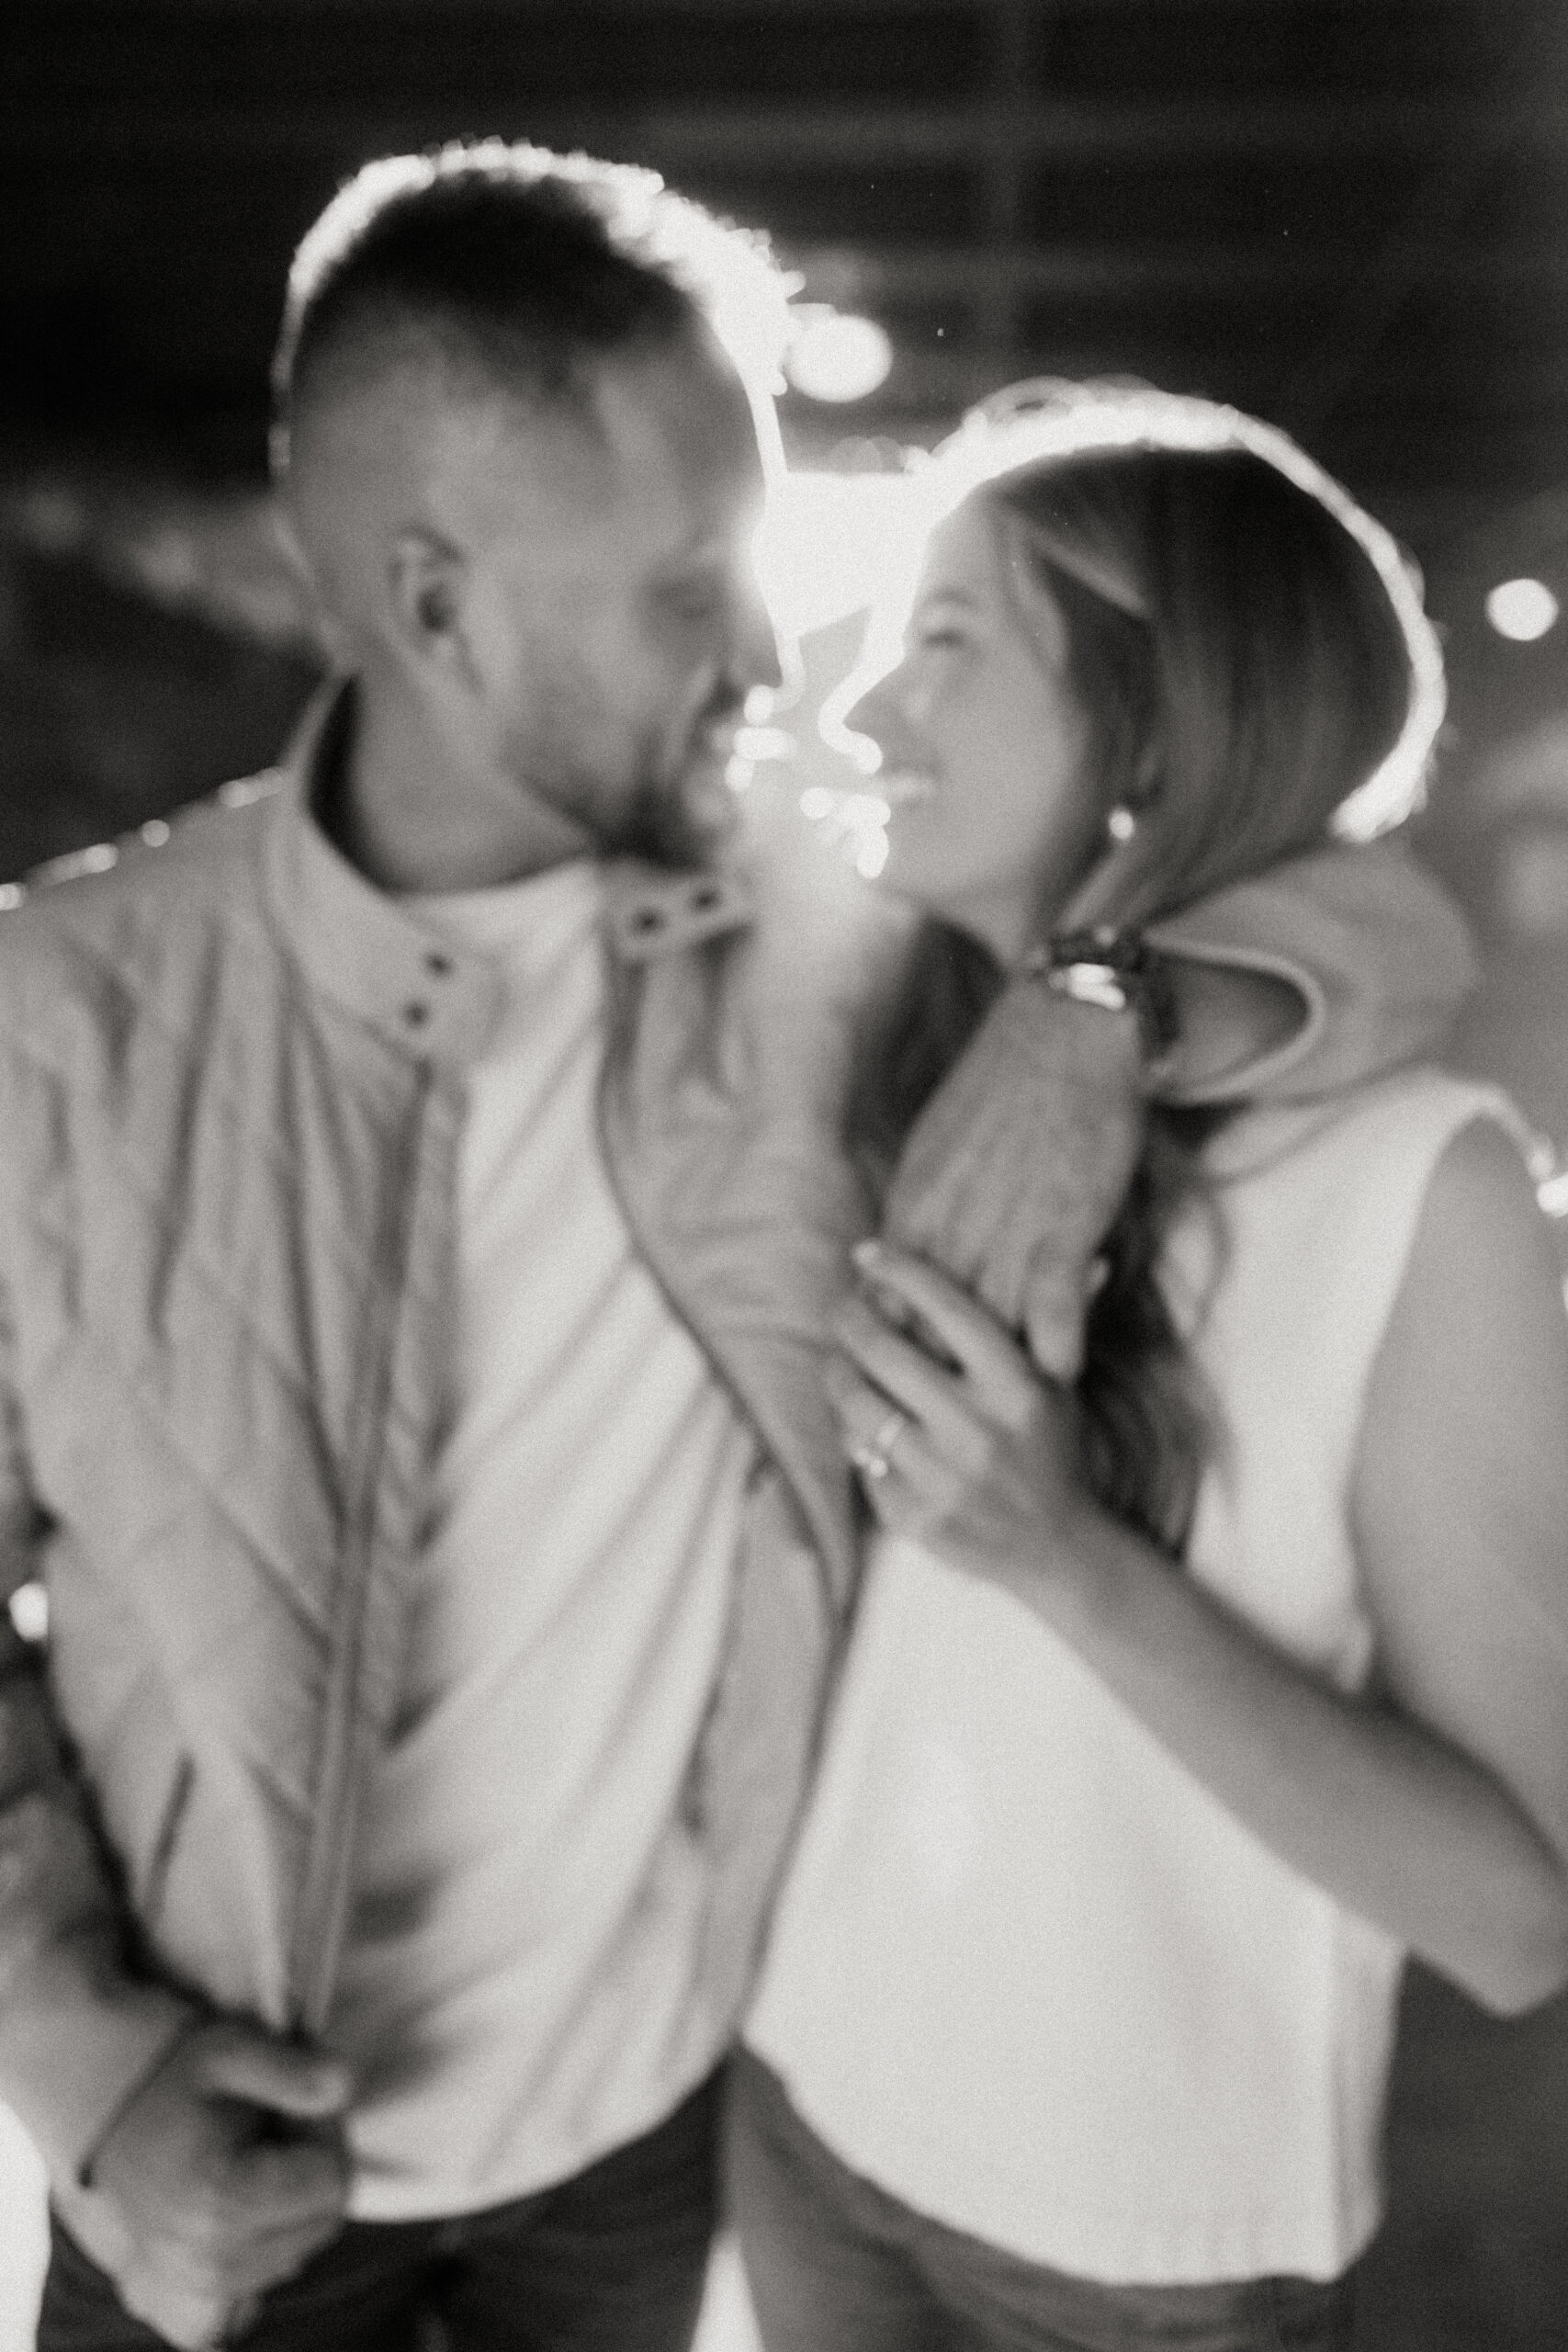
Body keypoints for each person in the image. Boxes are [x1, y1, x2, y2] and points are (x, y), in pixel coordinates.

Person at [0, 147, 1482, 2349]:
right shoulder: (58, 1017)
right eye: (691, 587)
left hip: (646, 2156)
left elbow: (1362, 906)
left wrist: (1111, 1000)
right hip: (216, 2161)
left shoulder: (820, 932)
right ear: (436, 605)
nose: (776, 654)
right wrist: (70, 2054)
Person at [728, 382, 1568, 2352]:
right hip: (806, 2098)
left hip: (1132, 2250)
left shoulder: (1410, 1186)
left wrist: (1061, 1552)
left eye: (944, 640)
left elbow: (1516, 1915)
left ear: (1156, 723)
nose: (864, 712)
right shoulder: (892, 1045)